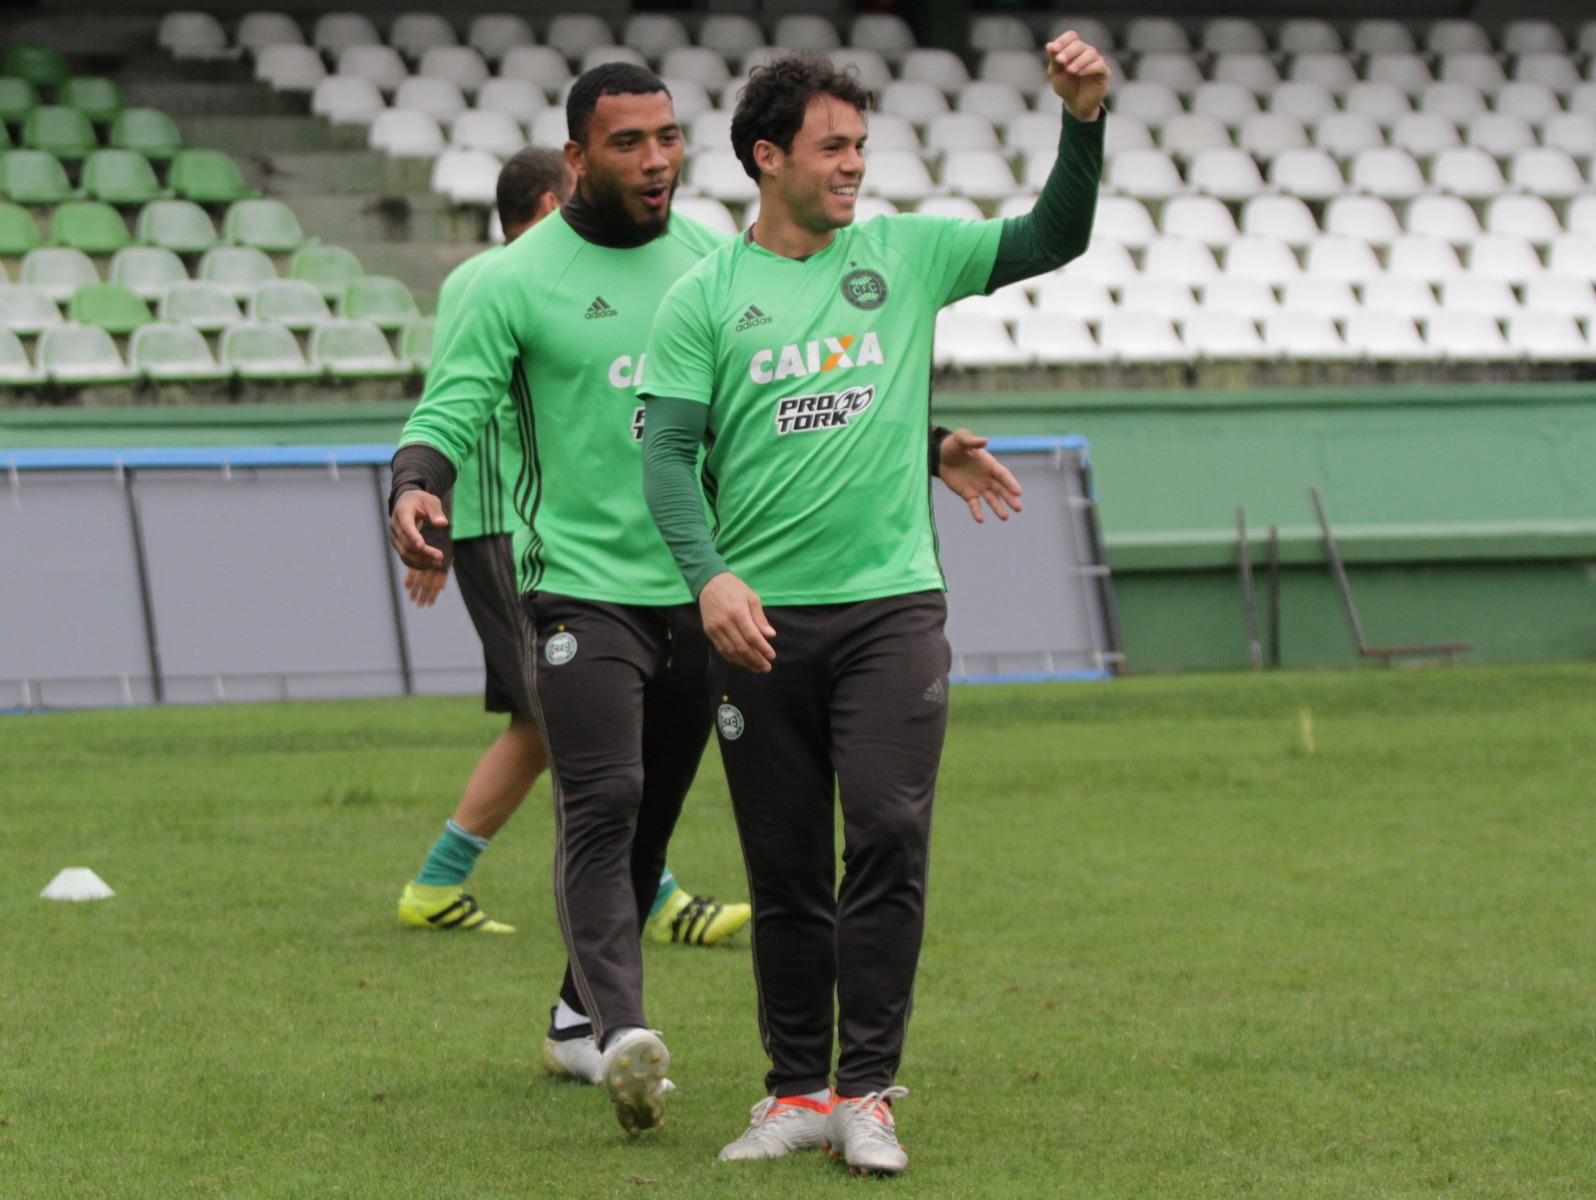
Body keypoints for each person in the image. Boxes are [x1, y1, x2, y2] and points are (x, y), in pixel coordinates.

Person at [388, 63, 1027, 1140]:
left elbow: (774, 407)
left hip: (712, 595)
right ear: (577, 158)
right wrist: (416, 481)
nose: (656, 161)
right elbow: (451, 408)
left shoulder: (712, 268)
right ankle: (625, 1034)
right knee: (605, 799)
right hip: (580, 588)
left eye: (668, 139)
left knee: (651, 829)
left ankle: (572, 1014)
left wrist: (922, 447)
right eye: (629, 143)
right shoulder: (511, 280)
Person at [639, 34, 1109, 1174]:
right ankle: (795, 1090)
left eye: (861, 145)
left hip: (894, 608)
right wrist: (709, 578)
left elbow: (1055, 236)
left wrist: (1083, 120)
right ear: (767, 157)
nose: (854, 164)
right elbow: (665, 460)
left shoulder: (906, 252)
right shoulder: (705, 298)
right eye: (832, 146)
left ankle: (868, 1095)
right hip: (760, 626)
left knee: (889, 831)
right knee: (787, 864)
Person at [395, 146, 751, 954]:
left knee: (552, 716)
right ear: (560, 197)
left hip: (530, 528)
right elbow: (461, 403)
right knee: (567, 715)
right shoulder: (499, 281)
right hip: (506, 526)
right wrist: (439, 515)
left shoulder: (662, 261)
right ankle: (646, 894)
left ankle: (446, 882)